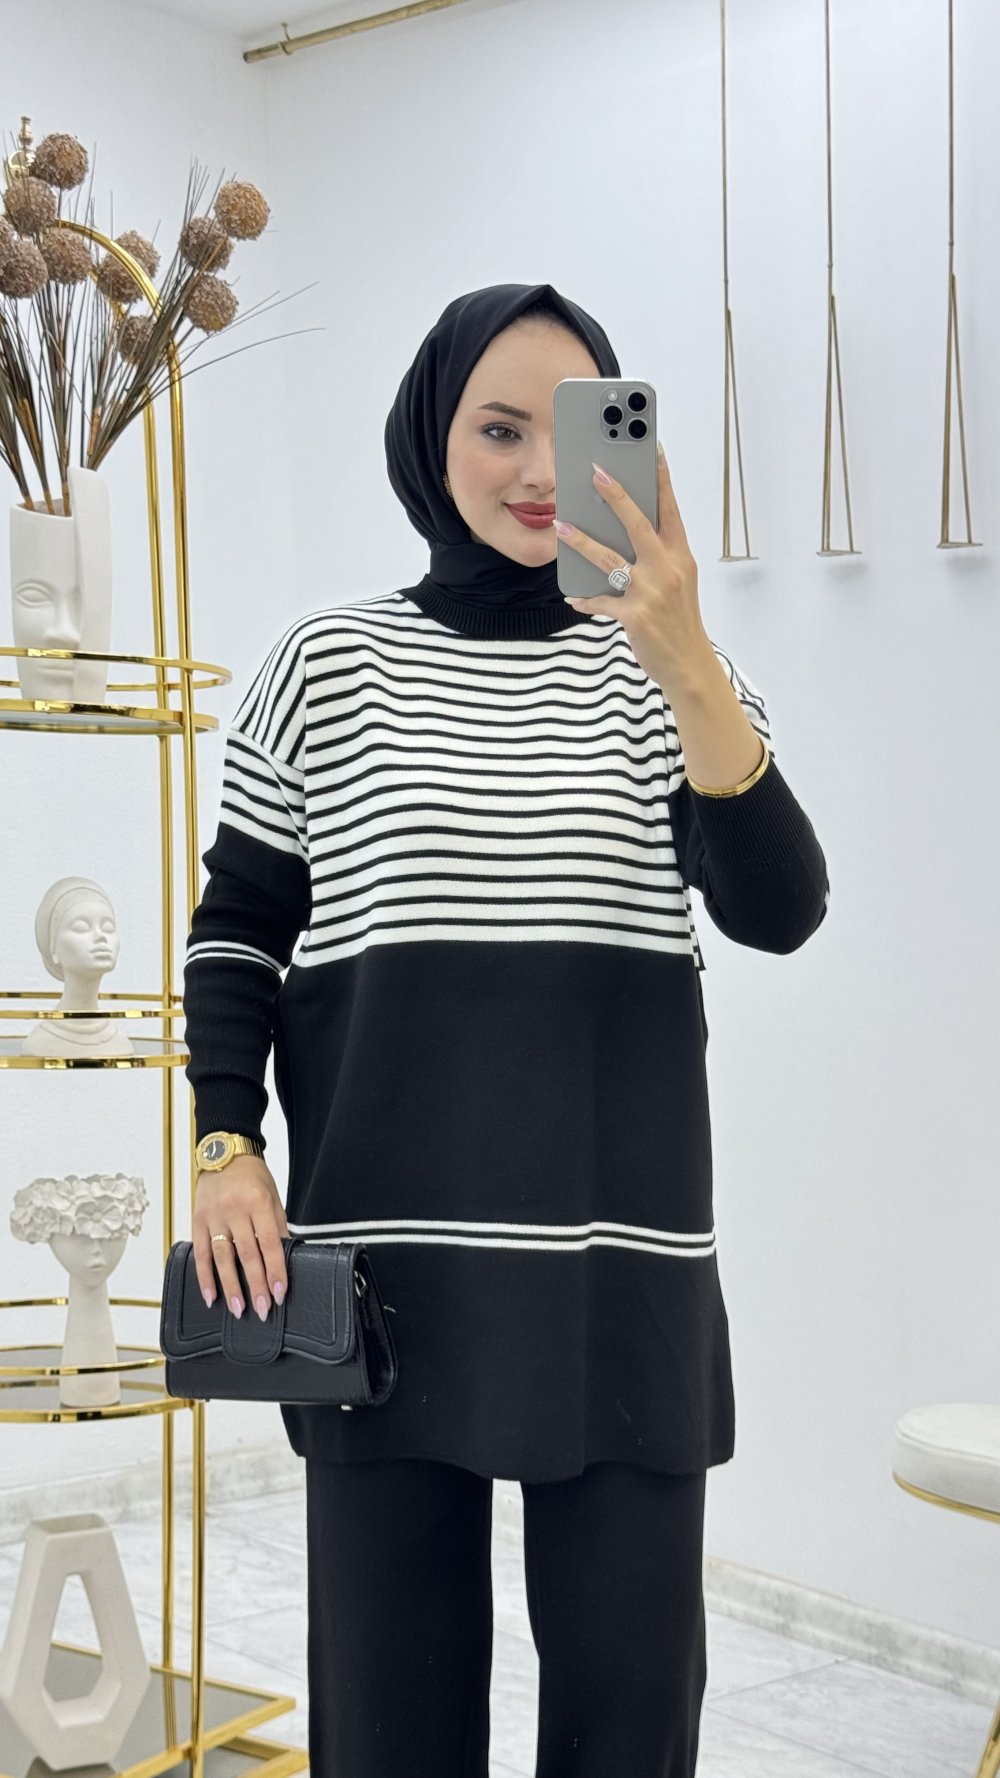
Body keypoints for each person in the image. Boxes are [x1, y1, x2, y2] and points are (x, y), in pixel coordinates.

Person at [182, 282, 830, 1777]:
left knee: (629, 1726)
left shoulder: (670, 677)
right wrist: (226, 1142)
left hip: (621, 1280)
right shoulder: (323, 664)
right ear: (433, 438)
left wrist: (684, 651)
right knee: (391, 1734)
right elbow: (238, 932)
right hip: (378, 1282)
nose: (540, 470)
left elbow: (782, 906)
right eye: (497, 428)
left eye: (574, 430)